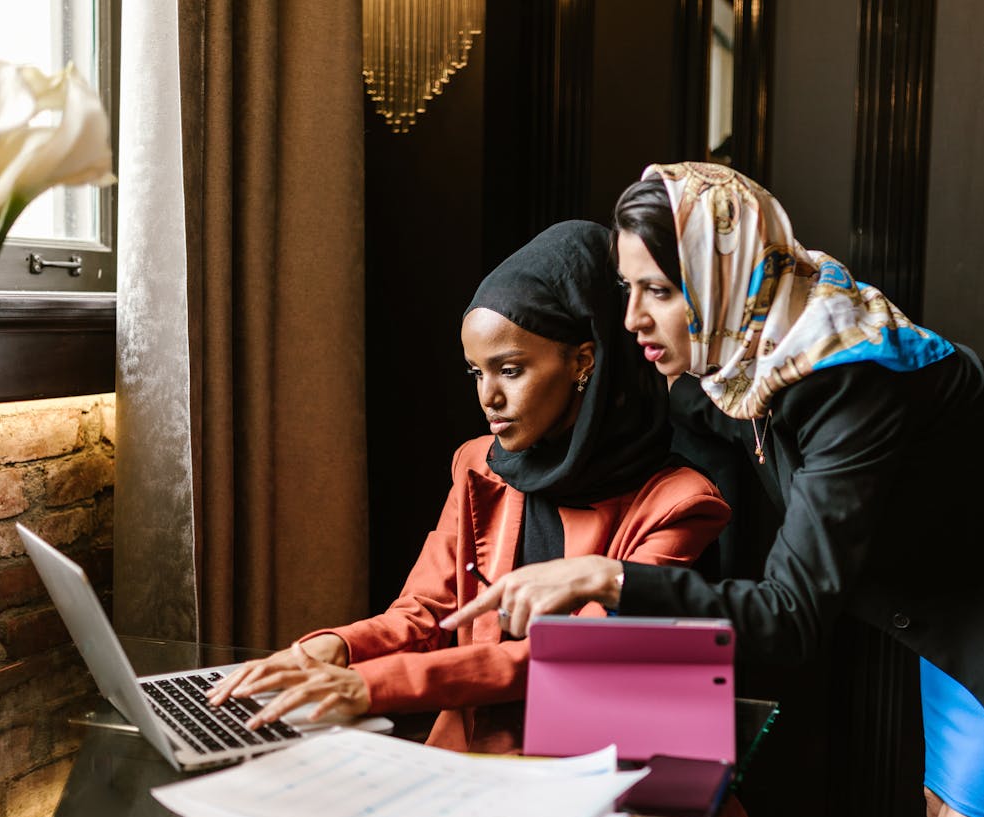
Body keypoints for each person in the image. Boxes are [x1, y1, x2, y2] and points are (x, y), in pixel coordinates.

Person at [442, 163, 984, 817]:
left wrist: (601, 578)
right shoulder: (747, 352)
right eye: (626, 289)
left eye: (660, 291)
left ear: (721, 275)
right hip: (970, 594)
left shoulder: (847, 383)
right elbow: (662, 400)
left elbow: (790, 615)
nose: (634, 317)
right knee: (946, 813)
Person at [208, 219, 729, 751]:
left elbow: (572, 656)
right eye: (475, 373)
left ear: (583, 360)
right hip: (463, 762)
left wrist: (366, 685)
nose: (488, 398)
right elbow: (424, 614)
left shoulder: (681, 503)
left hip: (595, 775)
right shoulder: (479, 465)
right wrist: (332, 649)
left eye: (509, 370)